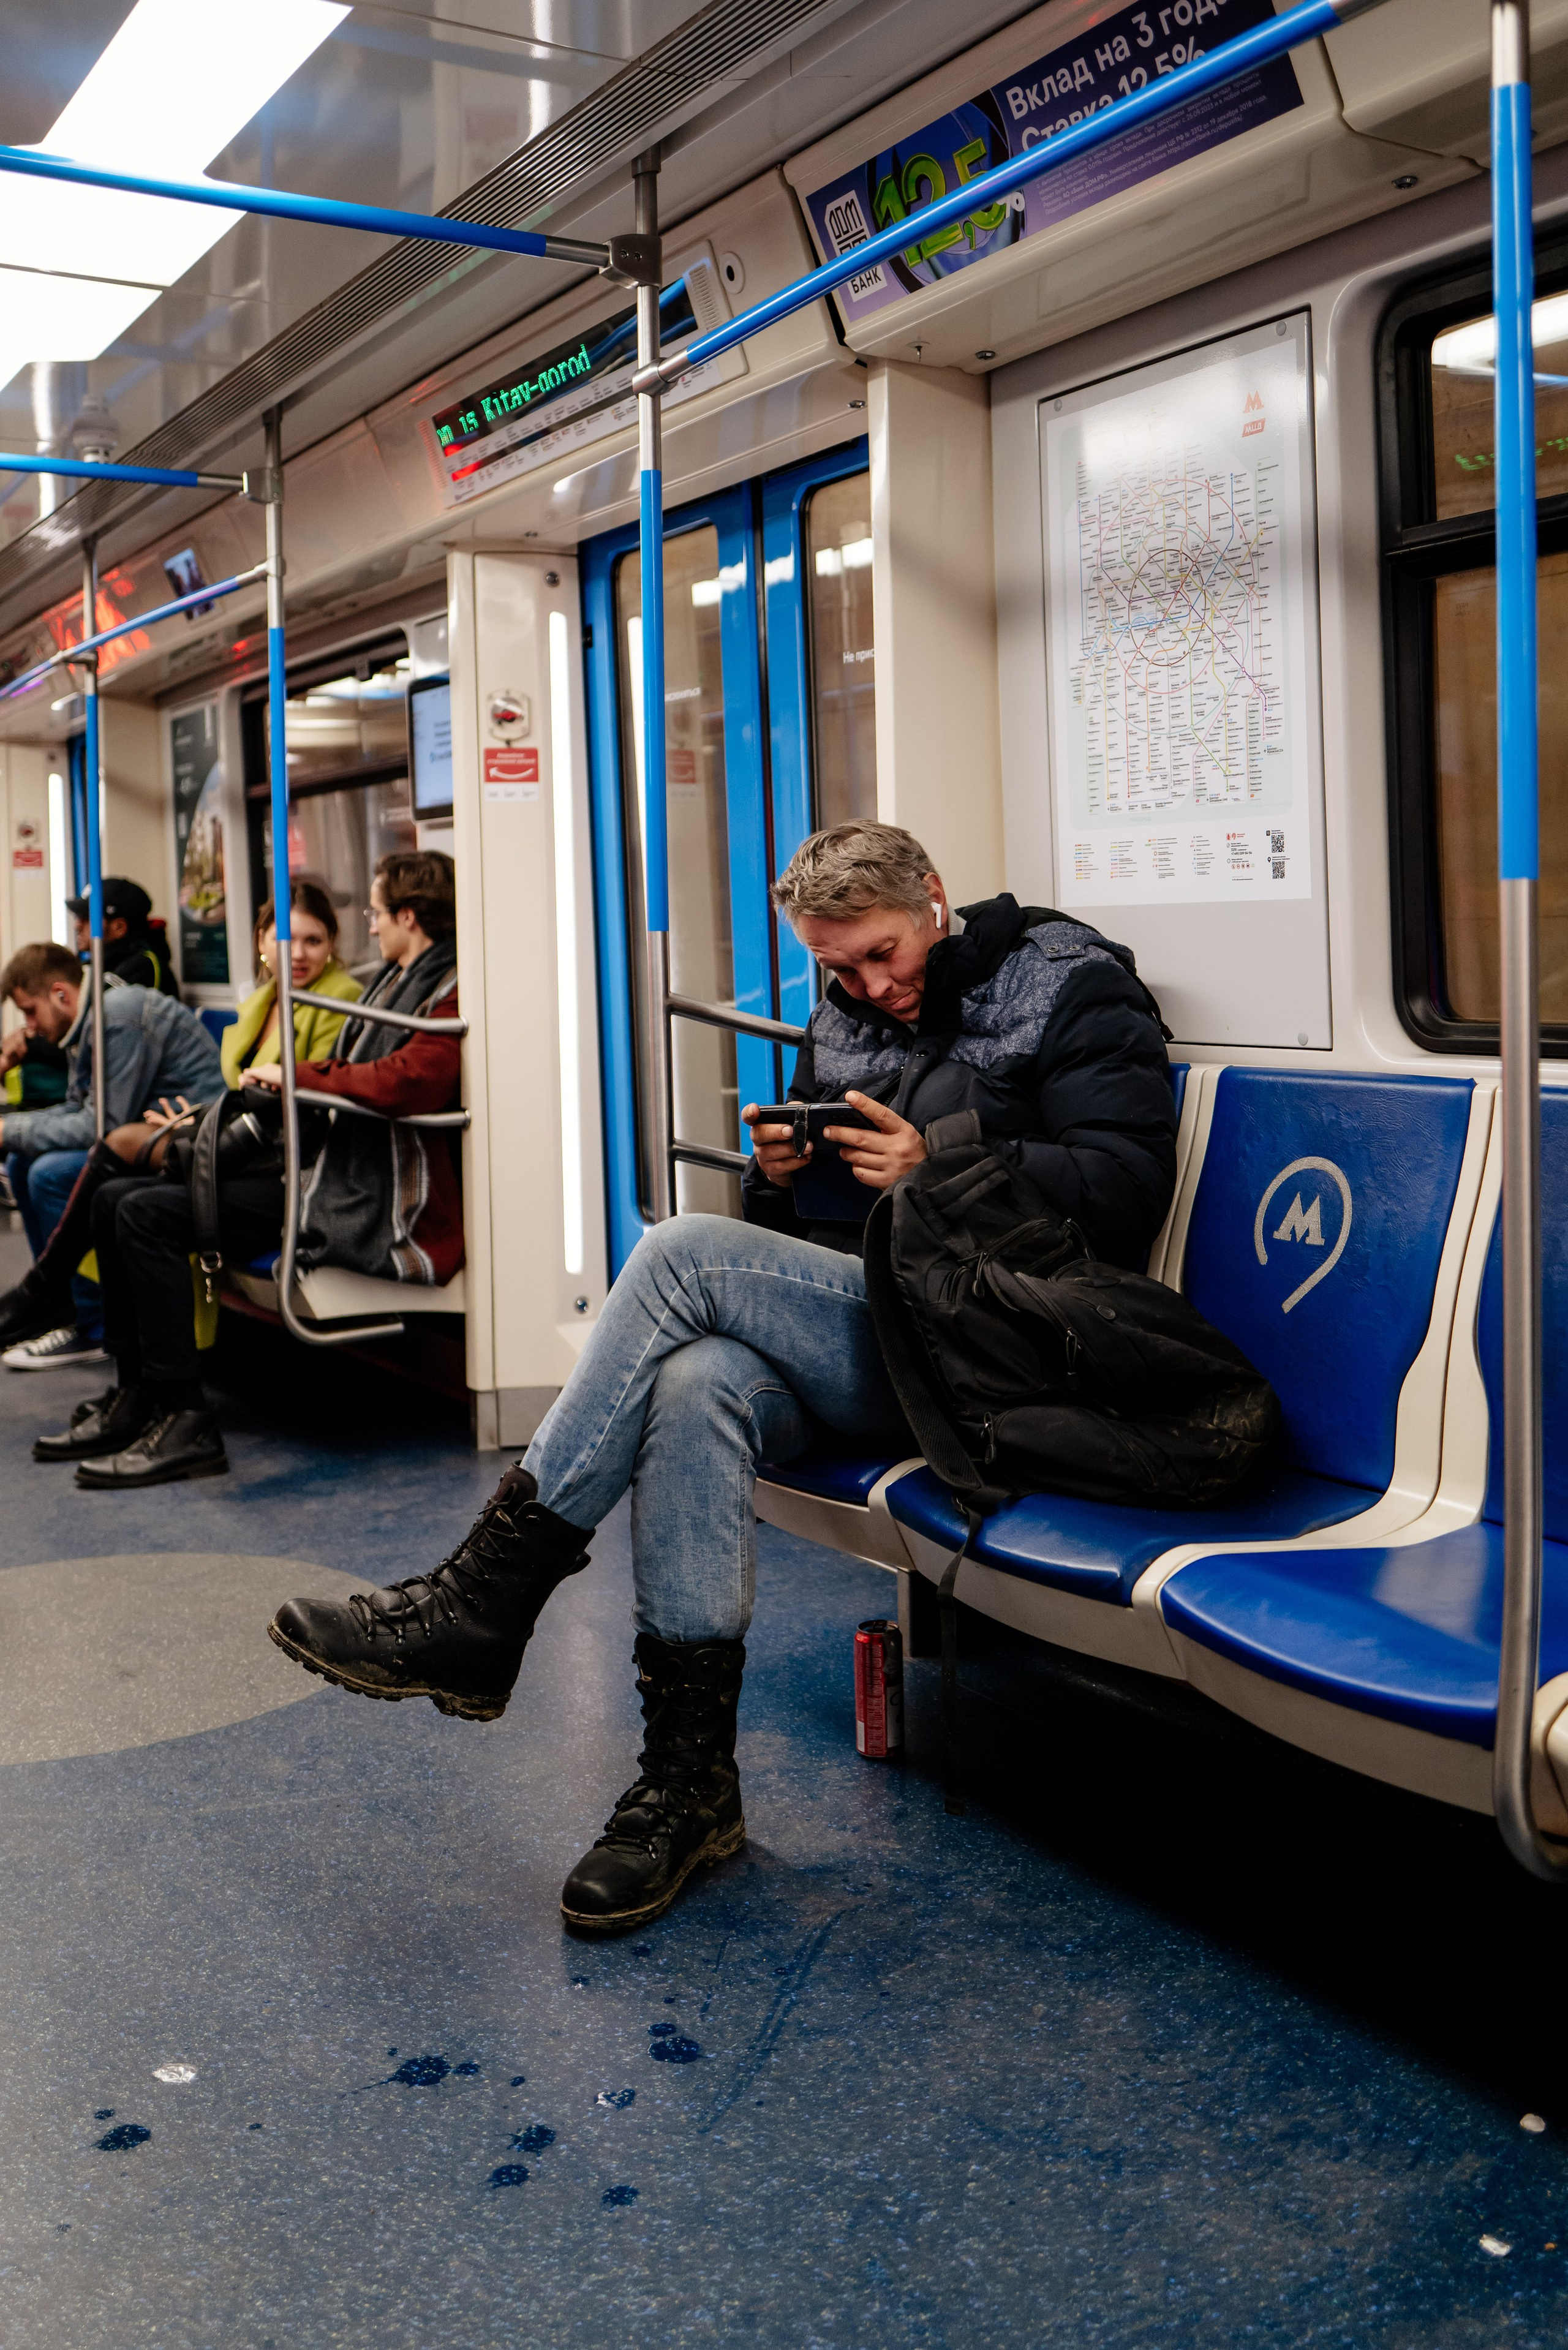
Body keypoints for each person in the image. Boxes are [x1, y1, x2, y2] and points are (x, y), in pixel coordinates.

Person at [266, 821, 1178, 1937]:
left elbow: (1127, 1190)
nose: (868, 986)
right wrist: (779, 1176)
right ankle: (689, 1783)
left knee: (681, 1252)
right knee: (699, 1381)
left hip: (1013, 1350)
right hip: (893, 1332)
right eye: (836, 968)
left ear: (934, 899)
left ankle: (478, 1603)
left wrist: (944, 1160)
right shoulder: (845, 1006)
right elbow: (816, 1224)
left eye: (883, 953)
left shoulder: (1072, 985)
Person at [39, 849, 462, 1489]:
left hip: (352, 1190)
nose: (371, 927)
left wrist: (297, 1077)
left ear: (407, 914)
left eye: (376, 914)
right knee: (113, 1199)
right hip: (313, 1164)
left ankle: (187, 1418)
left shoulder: (444, 986)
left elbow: (412, 1081)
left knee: (144, 1212)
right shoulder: (393, 980)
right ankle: (138, 1393)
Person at [0, 942, 224, 1367]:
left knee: (48, 1173)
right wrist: (9, 1132)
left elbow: (99, 1127)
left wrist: (7, 1129)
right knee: (20, 1161)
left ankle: (94, 1323)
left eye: (31, 1011)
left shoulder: (116, 1017)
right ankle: (62, 1304)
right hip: (148, 1137)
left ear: (62, 994)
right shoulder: (88, 1022)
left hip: (193, 1147)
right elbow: (81, 1109)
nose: (29, 1027)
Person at [70, 878, 179, 997]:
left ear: (120, 928)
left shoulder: (143, 969)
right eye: (78, 917)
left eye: (88, 918)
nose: (77, 925)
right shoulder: (99, 964)